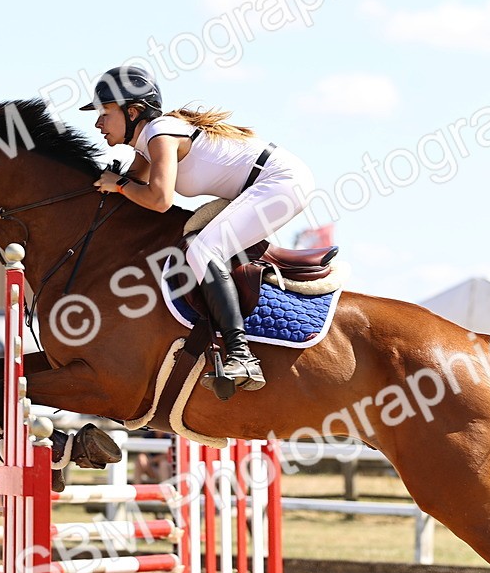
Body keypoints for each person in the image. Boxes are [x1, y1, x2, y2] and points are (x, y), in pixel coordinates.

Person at [83, 65, 316, 392]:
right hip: (264, 185)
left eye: (104, 113)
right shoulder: (148, 141)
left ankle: (241, 354)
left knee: (204, 249)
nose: (97, 123)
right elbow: (128, 185)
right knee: (202, 244)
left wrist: (118, 183)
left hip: (279, 182)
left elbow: (159, 199)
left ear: (133, 111)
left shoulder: (159, 134)